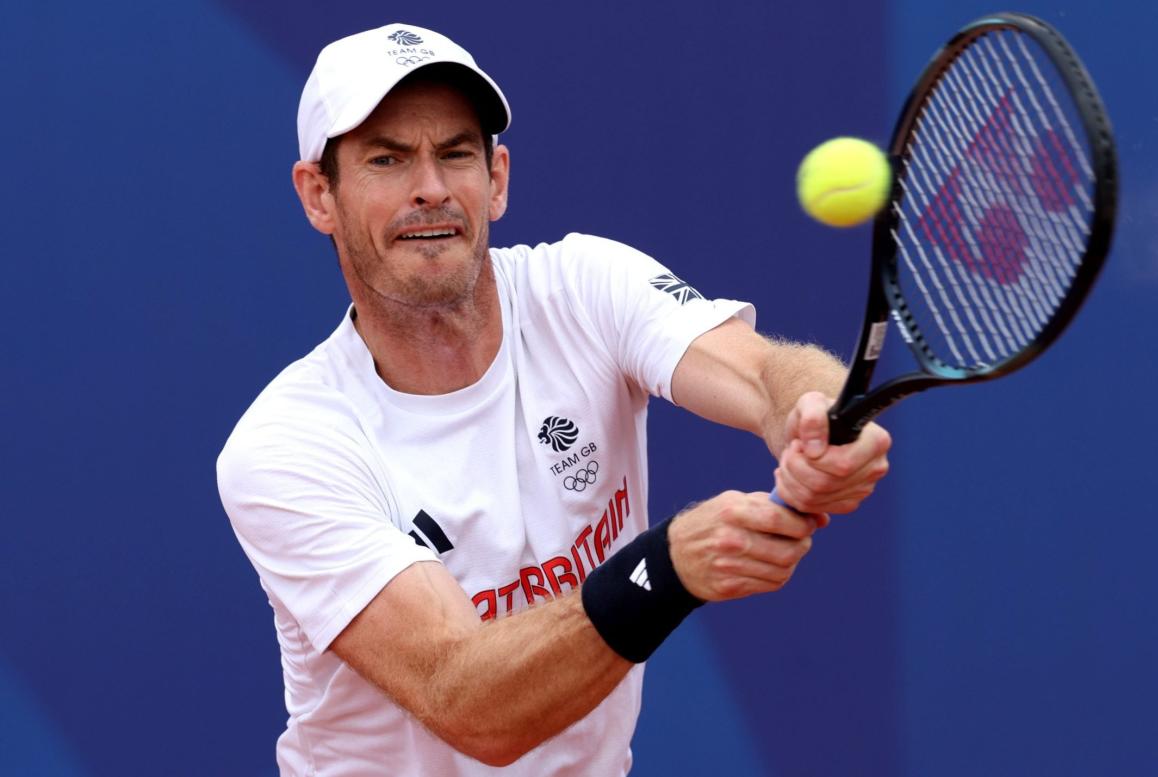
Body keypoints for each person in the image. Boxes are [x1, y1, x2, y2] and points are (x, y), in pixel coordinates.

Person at [216, 22, 891, 777]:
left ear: (497, 178)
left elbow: (765, 373)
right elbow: (473, 701)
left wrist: (815, 419)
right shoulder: (288, 447)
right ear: (319, 195)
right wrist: (665, 568)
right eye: (387, 158)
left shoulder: (585, 286)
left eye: (457, 153)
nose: (431, 187)